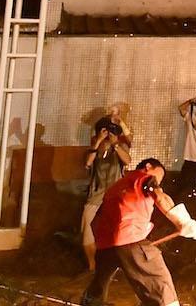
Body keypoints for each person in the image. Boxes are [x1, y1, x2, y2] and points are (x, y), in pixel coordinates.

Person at [80, 160, 196, 306]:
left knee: (97, 289)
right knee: (161, 286)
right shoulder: (144, 178)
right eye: (159, 175)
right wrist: (183, 222)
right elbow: (161, 197)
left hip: (105, 247)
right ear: (148, 167)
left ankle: (90, 300)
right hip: (131, 241)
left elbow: (95, 222)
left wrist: (106, 244)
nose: (159, 182)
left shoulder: (116, 186)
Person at [81, 114, 132, 272]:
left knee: (118, 229)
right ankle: (92, 265)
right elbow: (87, 163)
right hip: (96, 195)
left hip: (115, 195)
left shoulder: (119, 148)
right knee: (86, 228)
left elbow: (128, 160)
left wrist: (116, 144)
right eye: (105, 131)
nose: (109, 134)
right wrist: (98, 141)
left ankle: (118, 265)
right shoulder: (94, 148)